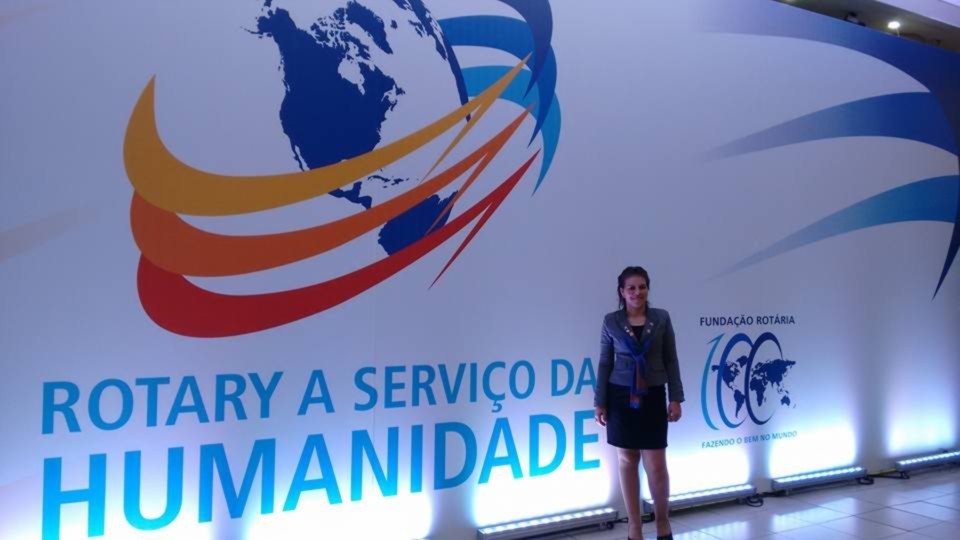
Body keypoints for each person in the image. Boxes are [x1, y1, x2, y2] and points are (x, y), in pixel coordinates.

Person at [594, 266, 684, 540]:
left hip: (653, 394)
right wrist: (600, 402)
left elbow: (671, 359)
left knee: (656, 464)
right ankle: (634, 528)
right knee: (627, 459)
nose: (637, 292)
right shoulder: (611, 321)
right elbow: (605, 362)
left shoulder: (662, 318)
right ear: (622, 292)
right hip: (620, 396)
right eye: (631, 288)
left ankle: (662, 524)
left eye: (642, 287)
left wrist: (676, 397)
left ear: (648, 288)